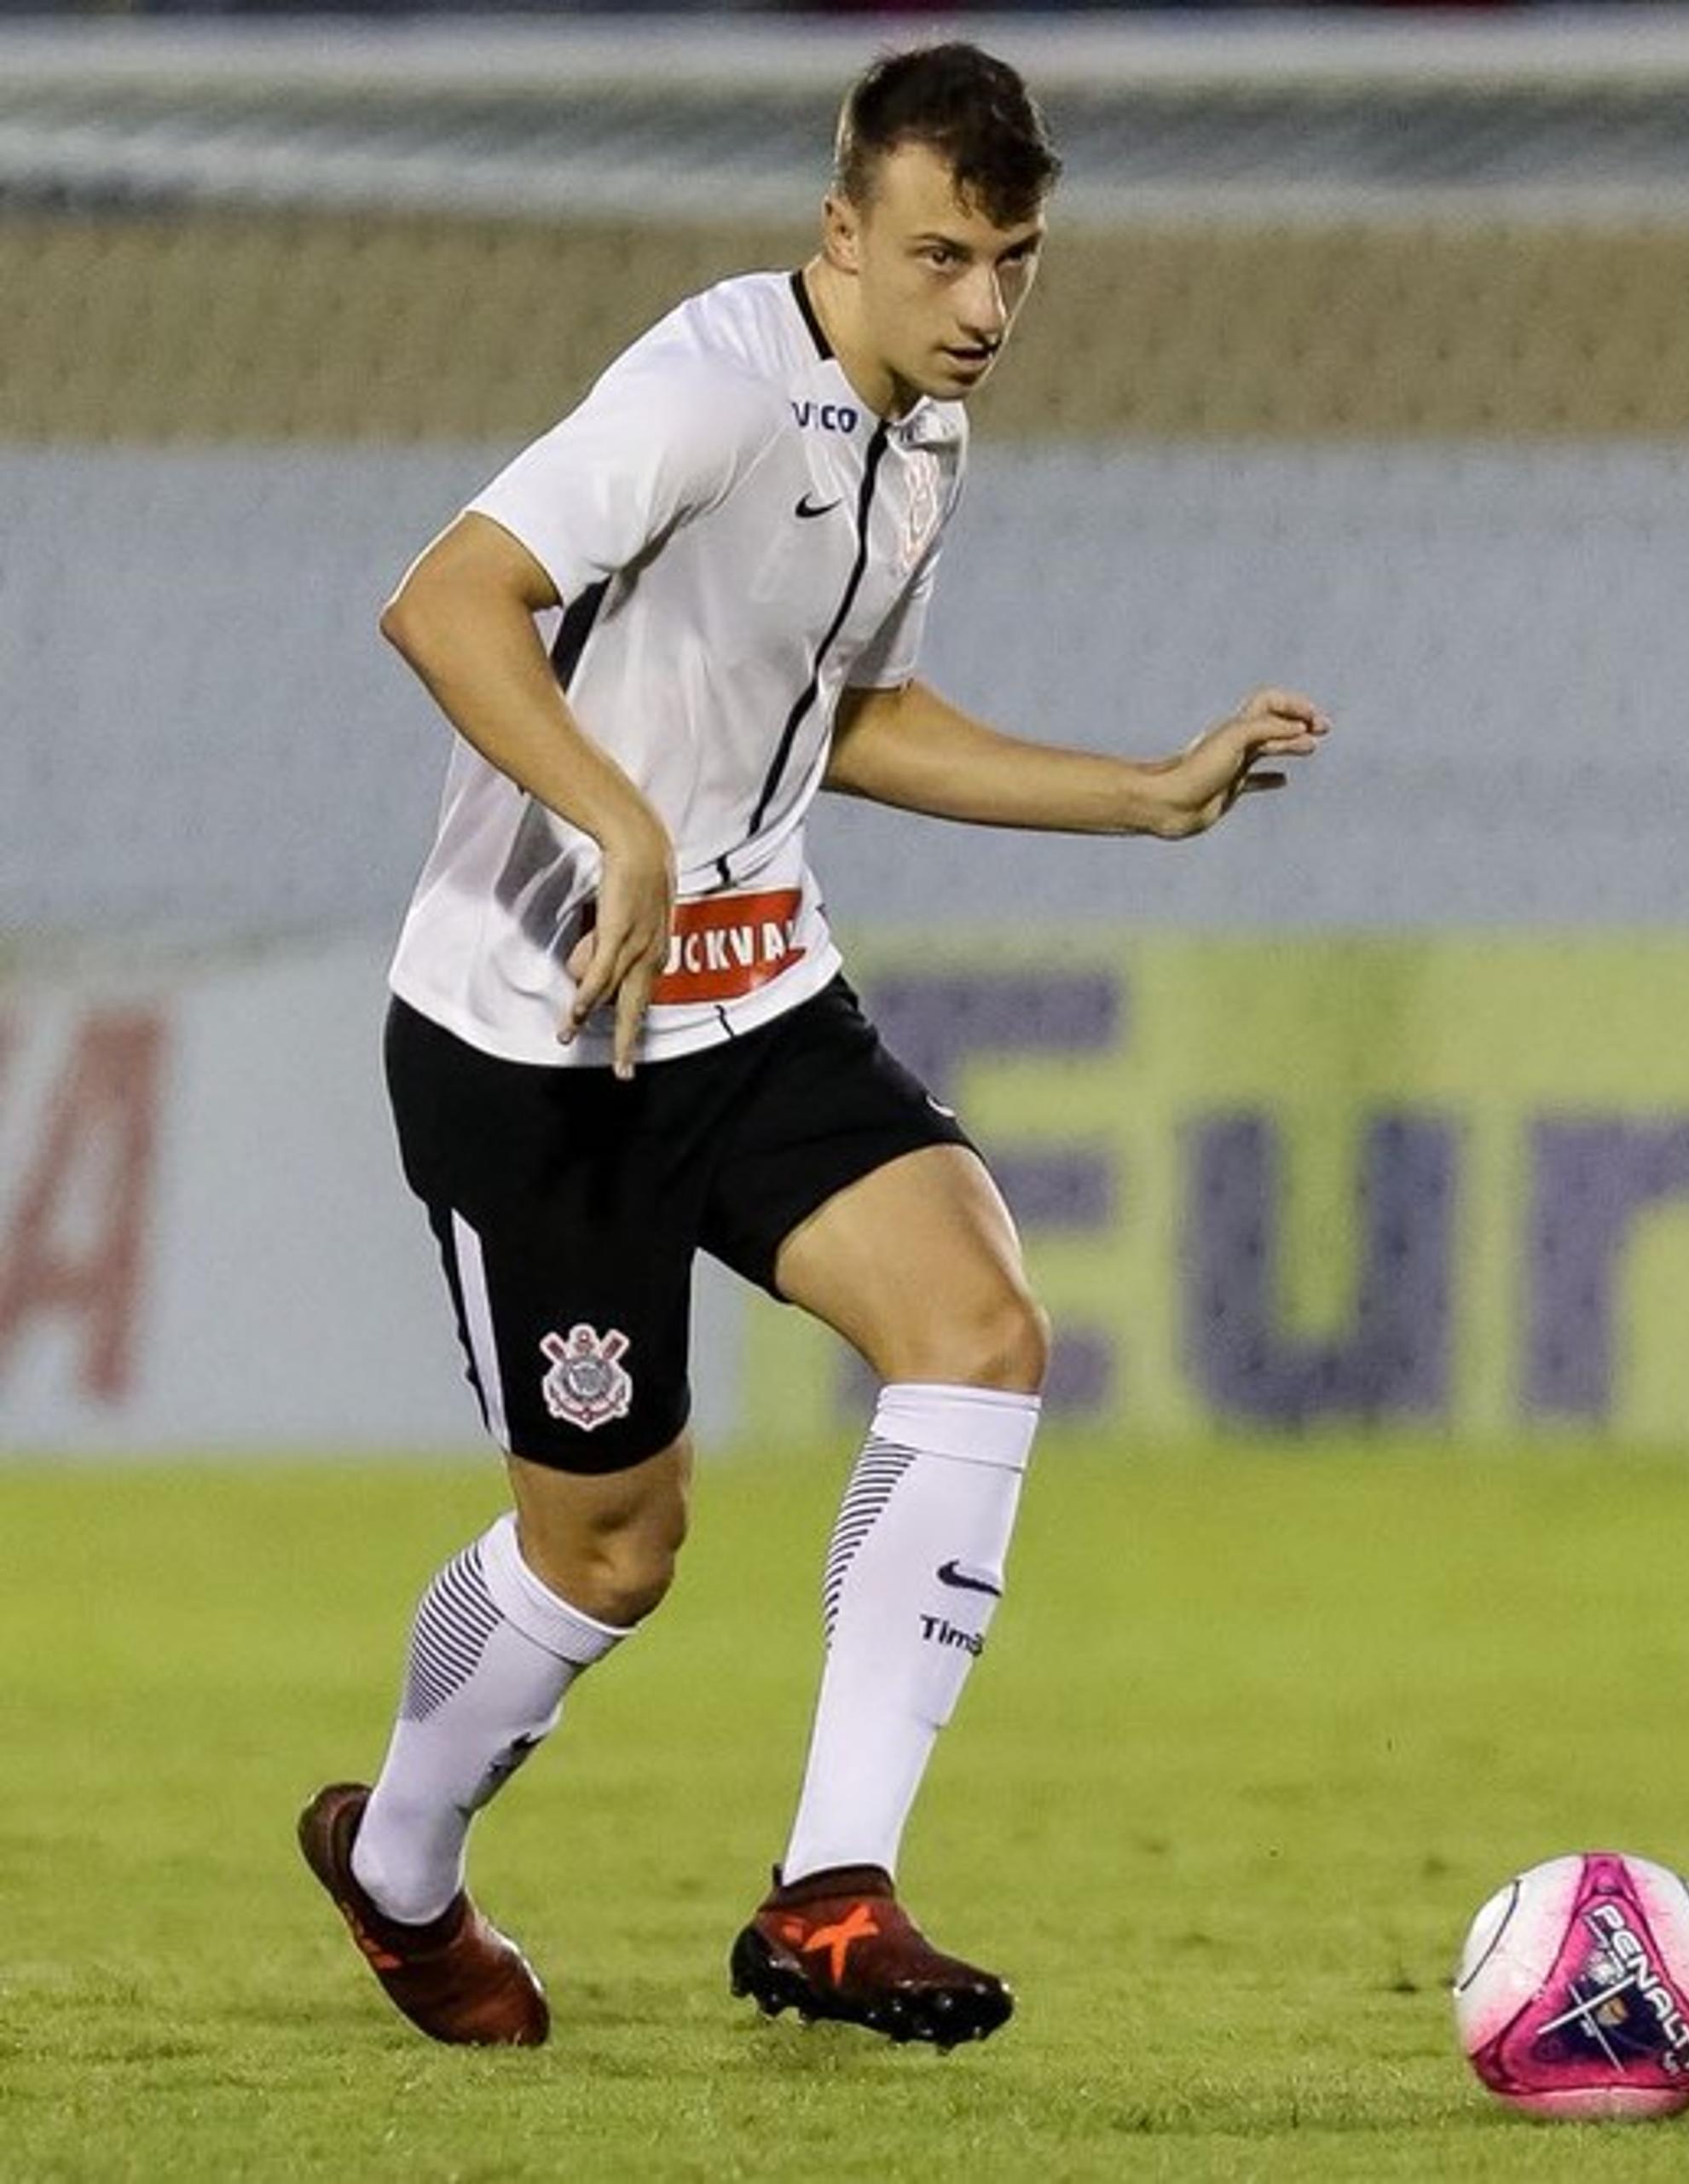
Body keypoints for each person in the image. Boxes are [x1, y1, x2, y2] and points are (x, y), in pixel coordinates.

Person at [297, 41, 1326, 2051]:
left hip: (754, 995)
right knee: (610, 1554)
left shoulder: (920, 434)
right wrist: (622, 821)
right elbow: (445, 604)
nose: (984, 308)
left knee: (980, 1323)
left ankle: (830, 1897)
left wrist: (1142, 793)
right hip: (544, 1035)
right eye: (942, 255)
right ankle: (399, 1867)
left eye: (1015, 262)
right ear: (838, 233)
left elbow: (848, 715)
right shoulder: (697, 392)